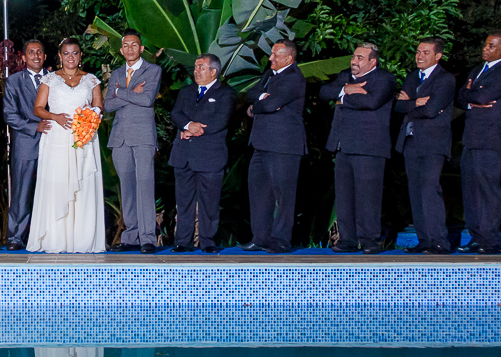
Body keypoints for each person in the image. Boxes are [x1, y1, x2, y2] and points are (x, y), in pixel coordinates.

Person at [27, 38, 106, 253]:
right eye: (66, 53)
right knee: (58, 185)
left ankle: (82, 239)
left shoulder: (91, 80)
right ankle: (56, 238)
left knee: (83, 187)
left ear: (81, 56)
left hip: (84, 139)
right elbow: (38, 109)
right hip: (57, 139)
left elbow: (98, 106)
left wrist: (89, 118)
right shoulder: (50, 79)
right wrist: (55, 117)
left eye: (75, 53)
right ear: (60, 56)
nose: (71, 57)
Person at [320, 42, 399, 254]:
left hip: (368, 147)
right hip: (343, 145)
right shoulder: (345, 76)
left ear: (373, 61)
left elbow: (372, 102)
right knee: (344, 197)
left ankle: (370, 240)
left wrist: (343, 98)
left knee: (368, 197)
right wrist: (346, 89)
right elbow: (324, 92)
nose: (354, 61)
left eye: (360, 58)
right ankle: (348, 239)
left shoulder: (384, 79)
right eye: (354, 57)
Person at [456, 32, 501, 254]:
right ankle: (476, 236)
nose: (486, 48)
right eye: (485, 45)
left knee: (488, 191)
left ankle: (490, 241)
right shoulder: (478, 69)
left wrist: (473, 95)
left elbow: (481, 97)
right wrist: (472, 95)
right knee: (470, 191)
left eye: (492, 46)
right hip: (471, 139)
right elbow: (462, 97)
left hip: (491, 140)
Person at [242, 40, 306, 254]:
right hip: (261, 143)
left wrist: (257, 106)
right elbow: (251, 94)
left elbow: (271, 105)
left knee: (283, 195)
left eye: (276, 55)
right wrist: (261, 98)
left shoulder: (294, 78)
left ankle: (280, 240)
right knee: (259, 192)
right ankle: (260, 237)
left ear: (289, 58)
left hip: (283, 145)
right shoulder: (270, 75)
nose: (271, 58)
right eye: (271, 54)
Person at [394, 37, 457, 255]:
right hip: (411, 141)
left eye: (426, 53)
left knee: (430, 189)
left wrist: (410, 104)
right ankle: (424, 240)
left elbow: (431, 110)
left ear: (438, 56)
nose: (419, 56)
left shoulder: (445, 79)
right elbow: (399, 105)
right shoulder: (413, 77)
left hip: (433, 143)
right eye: (418, 52)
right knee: (415, 192)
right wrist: (415, 103)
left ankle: (439, 241)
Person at [168, 54, 236, 253]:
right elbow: (176, 113)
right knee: (184, 201)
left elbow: (220, 120)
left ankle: (208, 242)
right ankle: (183, 241)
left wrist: (194, 130)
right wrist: (188, 125)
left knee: (209, 202)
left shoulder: (226, 93)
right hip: (184, 156)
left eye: (201, 67)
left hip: (210, 156)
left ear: (213, 71)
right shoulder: (186, 91)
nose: (196, 71)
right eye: (195, 67)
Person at [104, 30, 161, 253]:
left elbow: (147, 99)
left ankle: (147, 238)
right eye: (125, 45)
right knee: (126, 188)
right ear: (121, 50)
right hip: (120, 137)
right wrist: (128, 93)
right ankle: (130, 237)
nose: (129, 49)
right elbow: (108, 105)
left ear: (142, 48)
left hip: (143, 136)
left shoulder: (153, 70)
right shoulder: (118, 73)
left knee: (145, 185)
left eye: (134, 45)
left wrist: (121, 93)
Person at [2, 39, 51, 251]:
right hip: (26, 143)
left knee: (52, 190)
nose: (36, 56)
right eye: (31, 52)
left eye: (39, 52)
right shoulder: (13, 81)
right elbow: (9, 115)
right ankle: (15, 236)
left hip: (53, 144)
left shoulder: (56, 79)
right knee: (22, 192)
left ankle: (49, 236)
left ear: (45, 56)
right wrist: (35, 127)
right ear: (24, 57)